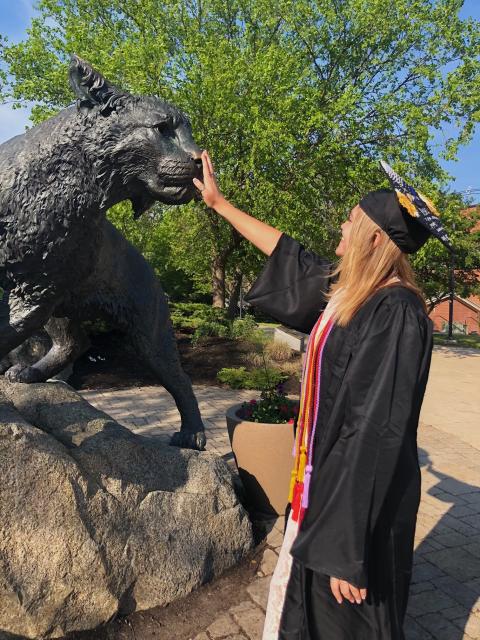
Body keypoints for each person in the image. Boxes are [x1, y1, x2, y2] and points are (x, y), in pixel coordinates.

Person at [193, 151, 453, 640]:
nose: (342, 222)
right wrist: (219, 204)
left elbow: (374, 431)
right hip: (322, 493)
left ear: (376, 237)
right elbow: (288, 256)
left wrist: (345, 549)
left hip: (353, 515)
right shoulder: (350, 296)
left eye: (352, 219)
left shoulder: (394, 312)